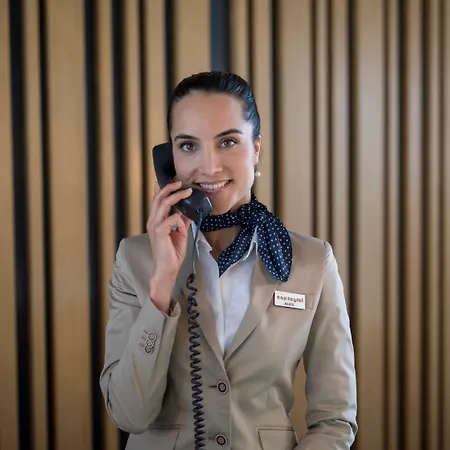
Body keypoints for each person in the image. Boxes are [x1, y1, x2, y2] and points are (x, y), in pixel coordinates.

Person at [100, 71, 357, 449]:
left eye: (228, 142)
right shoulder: (135, 258)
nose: (208, 167)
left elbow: (334, 420)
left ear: (256, 149)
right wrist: (161, 286)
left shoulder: (312, 262)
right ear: (169, 159)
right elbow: (128, 414)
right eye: (188, 145)